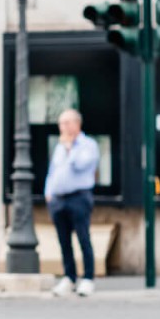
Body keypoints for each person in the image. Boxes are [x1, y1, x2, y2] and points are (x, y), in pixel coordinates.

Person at [45, 108, 99, 296]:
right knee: (63, 241)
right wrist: (48, 192)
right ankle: (69, 277)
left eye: (67, 123)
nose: (64, 127)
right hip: (59, 200)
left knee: (83, 238)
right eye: (61, 123)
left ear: (77, 124)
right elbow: (53, 172)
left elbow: (80, 166)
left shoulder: (88, 145)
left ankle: (88, 278)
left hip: (79, 197)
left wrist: (70, 148)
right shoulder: (59, 147)